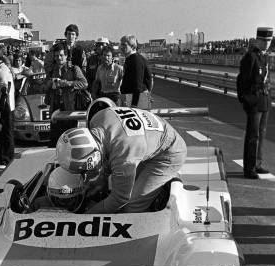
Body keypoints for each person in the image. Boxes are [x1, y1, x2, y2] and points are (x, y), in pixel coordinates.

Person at [56, 105, 187, 213]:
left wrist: (86, 217)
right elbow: (107, 150)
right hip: (145, 142)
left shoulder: (124, 157)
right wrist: (100, 179)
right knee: (116, 184)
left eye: (84, 169)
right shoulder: (98, 117)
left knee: (132, 206)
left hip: (169, 152)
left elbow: (120, 199)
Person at [238, 26, 273, 179]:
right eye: (264, 40)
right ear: (257, 40)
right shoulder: (250, 57)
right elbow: (242, 80)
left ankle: (258, 164)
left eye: (269, 40)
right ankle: (249, 168)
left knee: (261, 134)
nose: (266, 43)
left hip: (264, 100)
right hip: (254, 101)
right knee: (252, 136)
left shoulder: (264, 57)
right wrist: (246, 99)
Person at [43, 44, 88, 147]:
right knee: (54, 143)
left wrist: (66, 83)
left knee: (70, 142)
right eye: (56, 56)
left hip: (69, 109)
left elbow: (84, 83)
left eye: (61, 55)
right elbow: (44, 87)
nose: (59, 58)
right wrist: (50, 84)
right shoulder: (51, 70)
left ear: (66, 56)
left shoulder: (74, 69)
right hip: (55, 109)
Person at [120, 35, 153, 108]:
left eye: (124, 45)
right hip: (132, 98)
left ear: (132, 46)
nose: (121, 47)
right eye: (121, 44)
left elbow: (138, 84)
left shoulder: (135, 60)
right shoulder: (132, 58)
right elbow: (149, 80)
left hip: (136, 101)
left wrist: (134, 104)